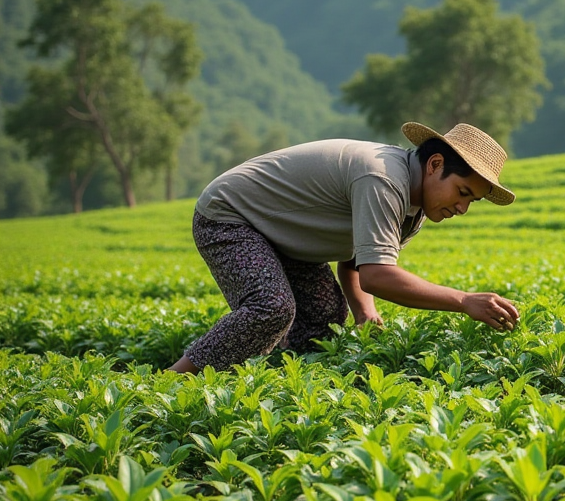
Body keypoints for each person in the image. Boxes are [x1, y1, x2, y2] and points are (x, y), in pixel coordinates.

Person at [170, 122, 520, 374]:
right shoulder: (382, 178)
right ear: (435, 165)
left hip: (287, 236)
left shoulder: (415, 208)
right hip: (231, 215)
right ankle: (173, 381)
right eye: (462, 193)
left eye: (471, 201)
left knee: (324, 321)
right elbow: (377, 276)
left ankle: (279, 384)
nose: (462, 209)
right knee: (272, 307)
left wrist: (363, 312)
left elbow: (355, 262)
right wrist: (463, 300)